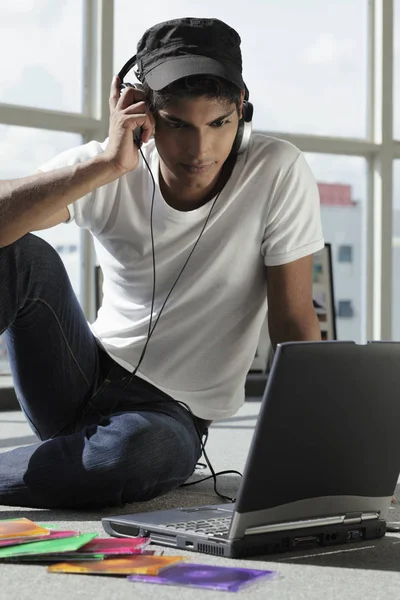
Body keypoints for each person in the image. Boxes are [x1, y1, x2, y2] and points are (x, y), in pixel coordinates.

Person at [0, 17, 324, 509]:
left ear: (242, 108)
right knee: (19, 252)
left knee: (135, 453)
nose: (200, 150)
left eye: (219, 124)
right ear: (141, 111)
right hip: (77, 371)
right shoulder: (109, 163)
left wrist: (317, 445)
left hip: (170, 415)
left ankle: (75, 462)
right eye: (177, 124)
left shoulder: (276, 170)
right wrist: (107, 165)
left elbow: (294, 319)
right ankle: (68, 461)